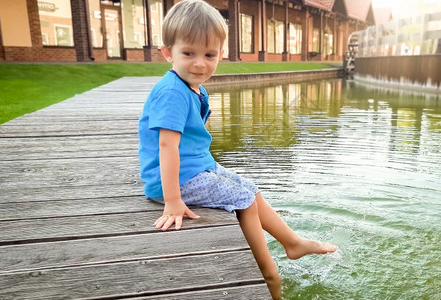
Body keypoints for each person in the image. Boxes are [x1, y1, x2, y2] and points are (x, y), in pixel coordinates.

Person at [138, 1, 337, 298]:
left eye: (209, 55)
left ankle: (292, 243)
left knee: (249, 187)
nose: (200, 64)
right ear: (168, 53)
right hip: (176, 181)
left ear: (221, 54)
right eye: (188, 53)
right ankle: (269, 275)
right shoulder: (172, 93)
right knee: (242, 197)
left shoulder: (193, 87)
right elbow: (166, 146)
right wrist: (173, 201)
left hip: (194, 168)